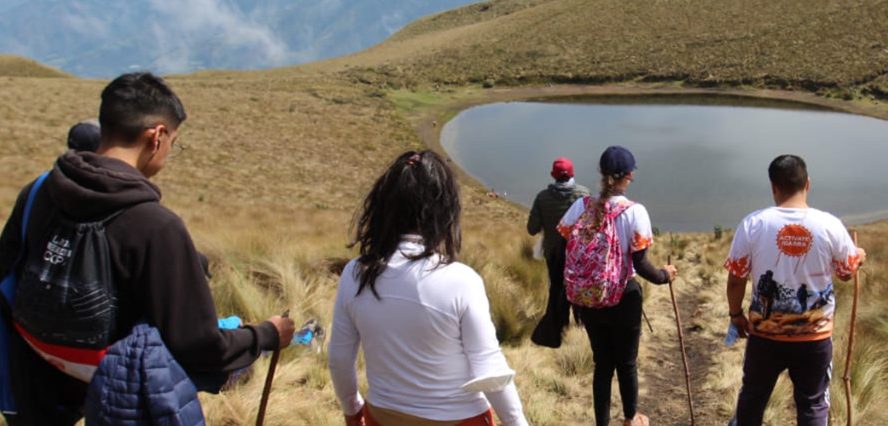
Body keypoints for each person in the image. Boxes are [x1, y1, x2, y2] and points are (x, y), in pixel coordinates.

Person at [0, 72, 294, 425]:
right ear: (156, 136)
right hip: (113, 398)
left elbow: (6, 274)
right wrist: (267, 334)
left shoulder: (38, 192)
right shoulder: (156, 227)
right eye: (174, 143)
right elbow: (200, 346)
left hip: (34, 384)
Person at [328, 150, 528, 426]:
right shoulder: (461, 280)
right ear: (444, 211)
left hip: (382, 415)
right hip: (459, 419)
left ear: (384, 206)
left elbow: (339, 357)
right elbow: (490, 369)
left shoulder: (355, 274)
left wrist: (352, 409)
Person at [724, 154, 867, 426]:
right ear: (808, 184)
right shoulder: (829, 224)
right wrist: (858, 256)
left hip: (764, 336)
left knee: (753, 397)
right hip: (814, 338)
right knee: (813, 403)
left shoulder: (753, 223)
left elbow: (735, 279)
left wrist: (735, 315)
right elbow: (847, 274)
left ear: (773, 187)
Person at [557, 145, 678, 426]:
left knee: (602, 365)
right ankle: (630, 418)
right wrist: (665, 275)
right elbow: (641, 262)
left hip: (587, 297)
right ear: (627, 176)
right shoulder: (635, 212)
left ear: (602, 174)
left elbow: (563, 246)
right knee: (626, 363)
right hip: (623, 296)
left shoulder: (581, 206)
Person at [527, 156, 590, 348]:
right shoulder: (584, 194)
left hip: (553, 253)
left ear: (553, 175)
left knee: (556, 289)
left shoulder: (542, 197)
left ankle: (558, 329)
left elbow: (532, 228)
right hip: (578, 254)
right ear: (572, 173)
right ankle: (581, 327)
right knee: (579, 290)